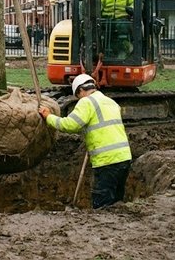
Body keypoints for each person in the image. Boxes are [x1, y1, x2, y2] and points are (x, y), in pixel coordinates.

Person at [38, 74, 132, 209]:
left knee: (102, 204)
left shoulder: (87, 102)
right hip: (124, 158)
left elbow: (70, 125)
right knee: (116, 203)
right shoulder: (110, 102)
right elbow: (102, 125)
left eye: (78, 96)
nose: (78, 100)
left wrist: (48, 117)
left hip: (107, 161)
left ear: (81, 91)